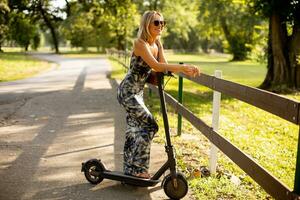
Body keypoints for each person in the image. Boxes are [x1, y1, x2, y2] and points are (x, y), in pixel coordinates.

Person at [117, 10, 200, 179]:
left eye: (162, 22)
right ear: (147, 24)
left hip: (137, 93)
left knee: (134, 130)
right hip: (127, 92)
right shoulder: (140, 44)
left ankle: (130, 170)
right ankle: (139, 169)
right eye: (156, 22)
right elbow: (156, 65)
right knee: (150, 125)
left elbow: (165, 66)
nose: (160, 25)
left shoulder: (157, 44)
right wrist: (183, 67)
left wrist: (184, 70)